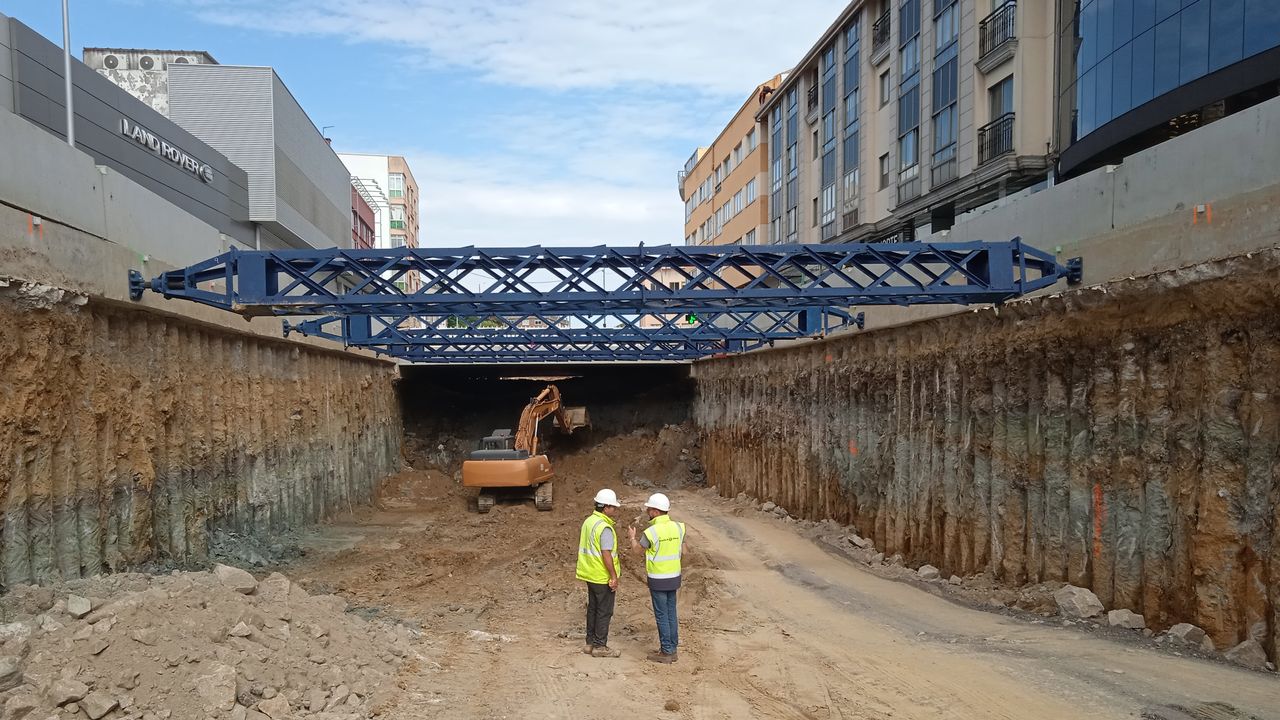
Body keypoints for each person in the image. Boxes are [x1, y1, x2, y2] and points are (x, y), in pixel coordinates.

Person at [628, 492, 687, 664]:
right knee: (671, 613)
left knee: (661, 615)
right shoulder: (679, 527)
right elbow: (685, 551)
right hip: (674, 577)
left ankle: (667, 651)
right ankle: (673, 647)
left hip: (658, 579)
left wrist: (632, 538)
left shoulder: (651, 532)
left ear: (655, 511)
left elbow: (638, 551)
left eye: (649, 509)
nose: (647, 511)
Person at [576, 488, 623, 658]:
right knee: (604, 610)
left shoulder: (589, 522)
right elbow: (606, 553)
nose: (615, 510)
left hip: (589, 573)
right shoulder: (605, 528)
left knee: (593, 608)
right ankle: (600, 646)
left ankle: (590, 643)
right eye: (613, 507)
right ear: (606, 508)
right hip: (601, 575)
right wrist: (613, 576)